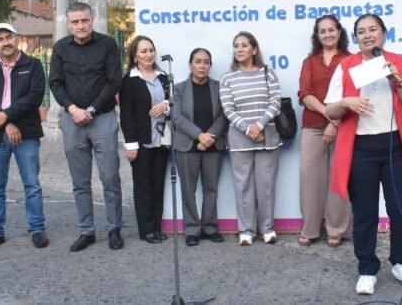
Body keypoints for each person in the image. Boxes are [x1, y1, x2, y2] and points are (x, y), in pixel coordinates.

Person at [325, 14, 402, 295]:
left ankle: (401, 262)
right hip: (361, 149)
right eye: (361, 31)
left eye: (373, 29)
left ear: (383, 34)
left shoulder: (398, 62)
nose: (367, 35)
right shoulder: (346, 66)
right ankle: (367, 268)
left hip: (394, 147)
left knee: (401, 207)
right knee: (365, 212)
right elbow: (330, 109)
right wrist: (346, 102)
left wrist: (398, 80)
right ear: (356, 38)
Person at [49, 1, 124, 252]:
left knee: (110, 177)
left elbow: (114, 81)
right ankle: (86, 231)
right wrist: (73, 109)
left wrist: (90, 110)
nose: (80, 25)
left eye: (85, 20)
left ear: (92, 20)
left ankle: (114, 229)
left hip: (102, 118)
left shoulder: (108, 45)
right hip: (72, 121)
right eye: (75, 22)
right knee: (80, 181)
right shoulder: (60, 48)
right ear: (68, 24)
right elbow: (55, 83)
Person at [0, 23, 48, 251]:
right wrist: (7, 124)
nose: (5, 42)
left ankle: (37, 229)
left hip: (27, 133)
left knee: (32, 185)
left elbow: (34, 97)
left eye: (9, 37)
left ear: (17, 39)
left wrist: (6, 115)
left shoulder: (33, 65)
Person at [219, 31, 282, 246]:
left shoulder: (267, 73)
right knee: (243, 186)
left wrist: (259, 125)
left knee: (266, 186)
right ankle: (246, 230)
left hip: (267, 137)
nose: (239, 49)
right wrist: (249, 129)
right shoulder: (228, 78)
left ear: (254, 49)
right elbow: (228, 109)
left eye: (244, 45)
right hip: (240, 140)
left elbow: (275, 102)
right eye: (236, 46)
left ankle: (267, 229)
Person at [296, 15, 352, 248]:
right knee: (309, 177)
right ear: (317, 36)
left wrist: (335, 122)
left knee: (339, 177)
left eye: (331, 30)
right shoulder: (309, 61)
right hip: (313, 125)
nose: (327, 34)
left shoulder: (351, 60)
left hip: (345, 125)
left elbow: (352, 94)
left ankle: (337, 229)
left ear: (339, 32)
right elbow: (305, 94)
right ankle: (310, 229)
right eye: (322, 31)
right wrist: (329, 114)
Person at [171, 48, 227, 247]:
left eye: (206, 62)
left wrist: (209, 137)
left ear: (210, 65)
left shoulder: (219, 87)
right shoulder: (179, 88)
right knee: (188, 190)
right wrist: (199, 136)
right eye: (198, 61)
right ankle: (192, 229)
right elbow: (177, 117)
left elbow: (224, 115)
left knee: (211, 189)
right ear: (190, 65)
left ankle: (210, 227)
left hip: (213, 145)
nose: (202, 66)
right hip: (187, 146)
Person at [120, 36, 170, 244]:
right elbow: (126, 115)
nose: (149, 54)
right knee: (143, 186)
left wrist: (166, 105)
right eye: (143, 51)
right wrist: (131, 144)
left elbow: (174, 101)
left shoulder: (164, 77)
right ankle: (146, 230)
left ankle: (156, 228)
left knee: (158, 185)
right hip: (141, 142)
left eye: (151, 50)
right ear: (135, 55)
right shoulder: (129, 81)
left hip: (162, 140)